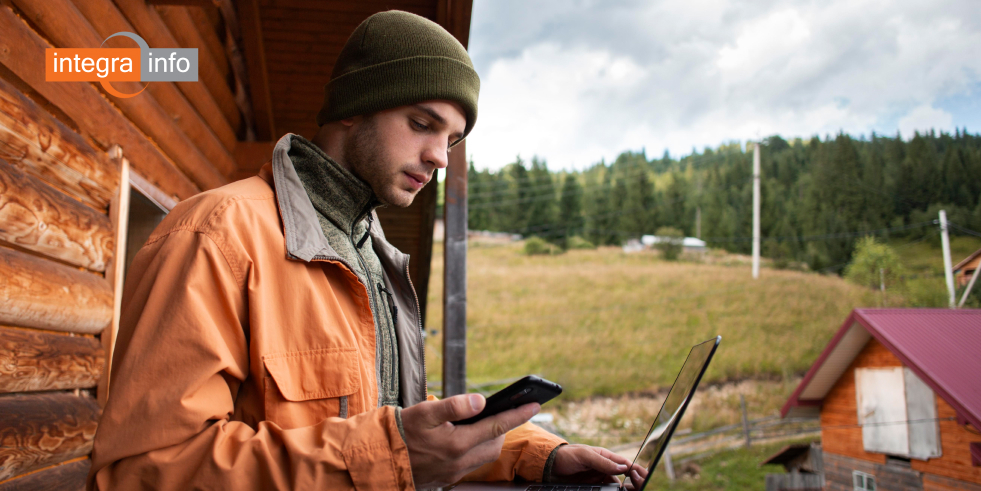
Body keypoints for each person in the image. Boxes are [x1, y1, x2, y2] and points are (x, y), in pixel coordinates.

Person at [88, 10, 630, 490]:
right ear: (354, 106)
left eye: (453, 140)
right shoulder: (215, 233)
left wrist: (536, 455)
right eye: (422, 124)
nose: (440, 157)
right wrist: (387, 454)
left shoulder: (377, 257)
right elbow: (143, 470)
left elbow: (393, 424)